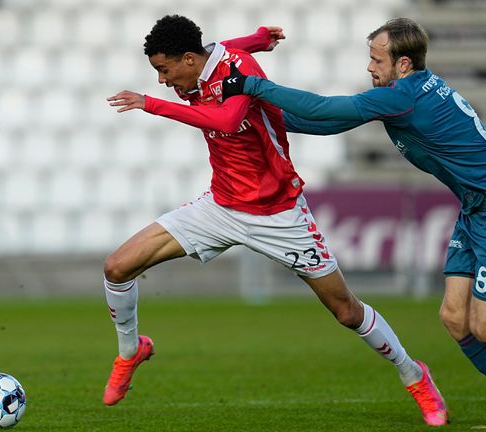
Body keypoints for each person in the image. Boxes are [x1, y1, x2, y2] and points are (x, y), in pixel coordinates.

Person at [221, 17, 486, 429]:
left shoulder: (404, 96)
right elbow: (328, 122)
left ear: (403, 64)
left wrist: (254, 87)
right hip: (476, 208)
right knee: (455, 318)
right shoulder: (406, 92)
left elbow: (326, 109)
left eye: (376, 59)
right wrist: (264, 116)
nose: (369, 67)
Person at [100, 15, 448, 426]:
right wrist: (258, 38)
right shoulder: (206, 60)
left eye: (164, 70)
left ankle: (414, 374)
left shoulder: (239, 72)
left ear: (189, 60)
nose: (162, 81)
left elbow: (228, 120)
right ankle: (131, 351)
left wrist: (152, 105)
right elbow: (222, 47)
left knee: (346, 312)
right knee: (117, 267)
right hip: (221, 205)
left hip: (278, 213)